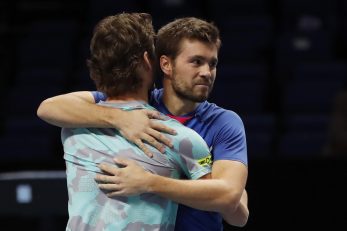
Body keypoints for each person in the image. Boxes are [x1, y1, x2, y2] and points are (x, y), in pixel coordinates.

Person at [37, 17, 249, 230]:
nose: (207, 72)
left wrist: (149, 183)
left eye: (213, 63)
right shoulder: (136, 106)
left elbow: (236, 209)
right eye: (196, 61)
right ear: (165, 64)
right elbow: (49, 108)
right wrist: (121, 119)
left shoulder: (224, 123)